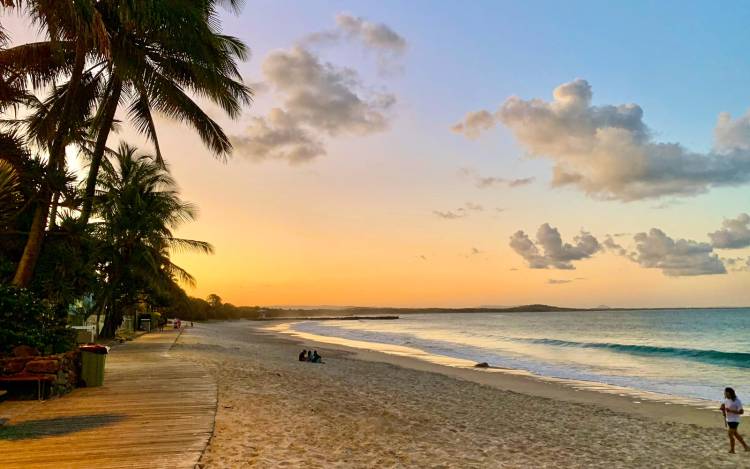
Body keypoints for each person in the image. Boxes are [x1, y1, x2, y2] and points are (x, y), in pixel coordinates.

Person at [721, 387, 749, 453]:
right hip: (729, 420)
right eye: (725, 393)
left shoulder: (737, 401)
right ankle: (746, 447)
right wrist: (722, 408)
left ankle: (732, 450)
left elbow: (741, 412)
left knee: (730, 434)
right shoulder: (726, 400)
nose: (725, 394)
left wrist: (730, 410)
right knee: (736, 434)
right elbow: (725, 407)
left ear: (730, 393)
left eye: (726, 393)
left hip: (735, 420)